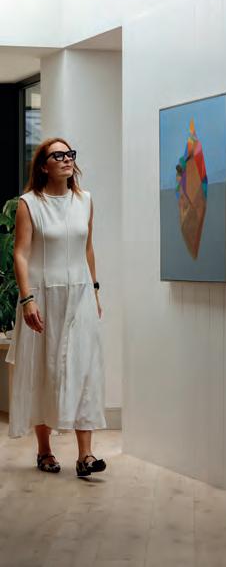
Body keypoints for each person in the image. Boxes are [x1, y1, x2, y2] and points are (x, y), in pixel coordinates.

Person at [5, 137, 107, 478]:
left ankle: (85, 456)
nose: (66, 159)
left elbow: (87, 248)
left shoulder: (85, 200)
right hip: (43, 297)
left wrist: (95, 290)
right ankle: (45, 451)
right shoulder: (29, 203)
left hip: (80, 295)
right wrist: (27, 298)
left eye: (69, 154)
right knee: (44, 369)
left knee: (85, 368)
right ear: (43, 166)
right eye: (58, 155)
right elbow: (21, 253)